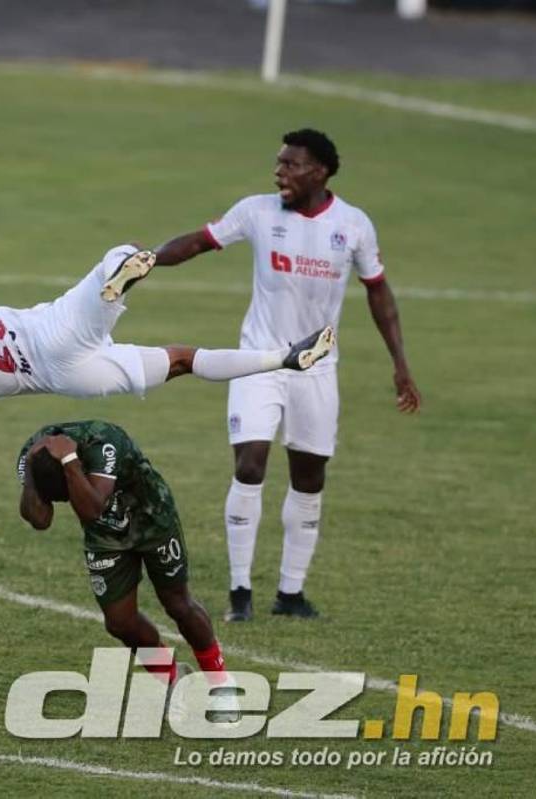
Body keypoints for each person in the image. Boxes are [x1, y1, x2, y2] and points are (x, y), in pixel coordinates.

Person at [0, 243, 336, 555]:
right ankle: (123, 283)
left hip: (68, 370)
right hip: (59, 322)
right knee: (121, 251)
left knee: (180, 362)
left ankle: (283, 360)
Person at [110, 128, 421, 621]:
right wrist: (149, 259)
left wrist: (400, 364)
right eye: (278, 163)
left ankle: (290, 594)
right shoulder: (257, 212)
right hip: (258, 362)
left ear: (319, 171)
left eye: (290, 164)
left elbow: (378, 292)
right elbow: (198, 242)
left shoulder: (354, 225)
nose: (279, 172)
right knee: (250, 466)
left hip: (317, 369)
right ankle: (239, 595)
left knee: (309, 478)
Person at [18, 420, 229, 687]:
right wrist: (30, 478)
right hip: (105, 534)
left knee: (178, 604)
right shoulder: (33, 458)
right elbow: (40, 520)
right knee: (119, 622)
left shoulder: (104, 442)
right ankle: (173, 680)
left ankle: (221, 683)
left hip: (151, 517)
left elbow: (93, 507)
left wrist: (70, 461)